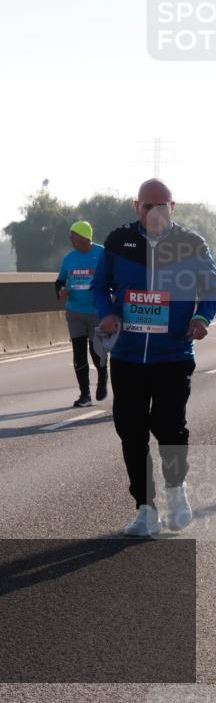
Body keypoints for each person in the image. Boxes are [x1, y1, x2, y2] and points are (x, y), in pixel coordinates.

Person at [91, 179, 216, 537]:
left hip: (173, 356)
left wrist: (201, 318)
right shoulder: (118, 241)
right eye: (148, 206)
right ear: (137, 207)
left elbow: (211, 289)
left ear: (172, 207)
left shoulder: (192, 244)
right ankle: (145, 509)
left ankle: (177, 492)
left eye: (162, 205)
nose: (155, 211)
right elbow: (99, 286)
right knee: (131, 431)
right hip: (128, 356)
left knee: (169, 426)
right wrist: (106, 313)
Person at [55, 221, 107, 406]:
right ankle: (85, 395)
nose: (70, 238)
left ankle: (102, 380)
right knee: (78, 354)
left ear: (85, 237)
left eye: (73, 235)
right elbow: (60, 281)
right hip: (75, 311)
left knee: (96, 352)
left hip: (96, 312)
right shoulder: (69, 258)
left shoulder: (102, 253)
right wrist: (61, 291)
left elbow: (115, 277)